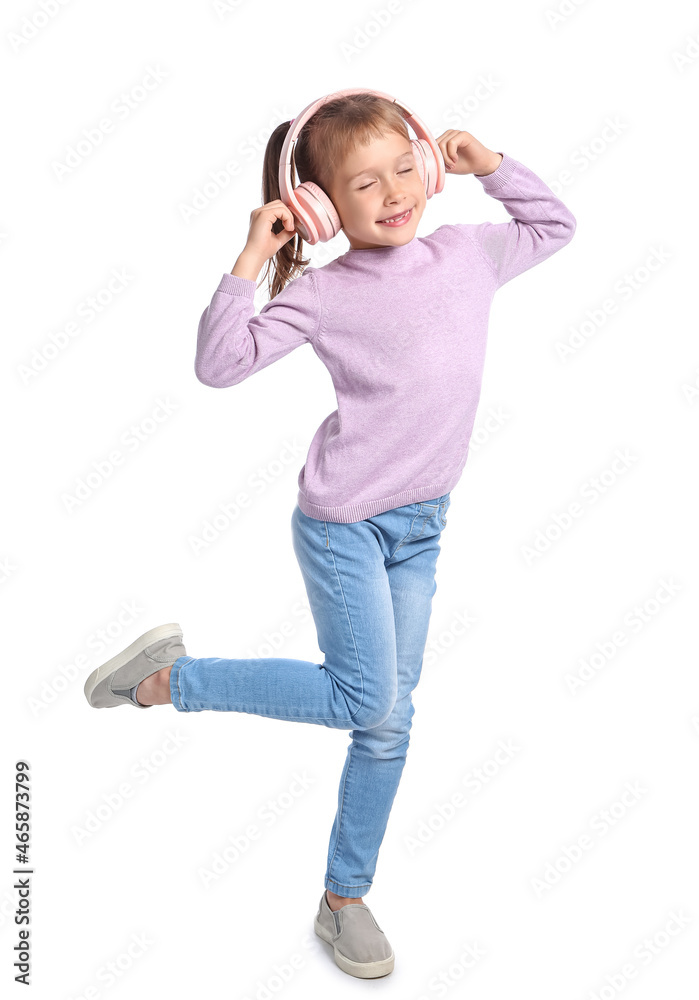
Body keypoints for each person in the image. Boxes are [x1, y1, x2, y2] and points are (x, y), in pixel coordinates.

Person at [84, 91, 576, 978]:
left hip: (422, 526)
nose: (391, 193)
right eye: (361, 184)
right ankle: (167, 680)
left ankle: (341, 901)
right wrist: (249, 257)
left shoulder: (468, 252)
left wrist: (490, 163)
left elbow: (554, 225)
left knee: (388, 721)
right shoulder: (323, 292)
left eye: (403, 168)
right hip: (344, 524)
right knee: (366, 702)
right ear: (320, 207)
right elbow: (219, 364)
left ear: (427, 165)